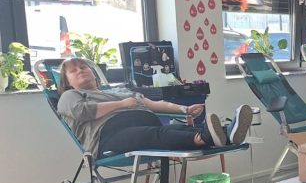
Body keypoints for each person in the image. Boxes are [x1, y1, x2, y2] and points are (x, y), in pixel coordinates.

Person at [57, 58, 251, 156]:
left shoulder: (119, 90)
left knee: (176, 129)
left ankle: (226, 133)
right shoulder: (69, 96)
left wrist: (184, 109)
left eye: (83, 67)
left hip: (143, 124)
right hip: (108, 137)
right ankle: (209, 137)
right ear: (67, 82)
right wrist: (122, 105)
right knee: (156, 134)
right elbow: (83, 112)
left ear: (93, 72)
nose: (80, 71)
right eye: (73, 71)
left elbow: (152, 104)